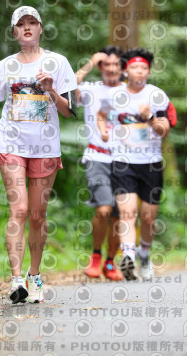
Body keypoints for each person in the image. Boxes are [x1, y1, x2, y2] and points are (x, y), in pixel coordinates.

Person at [0, 6, 77, 303]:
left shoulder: (58, 63)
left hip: (45, 146)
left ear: (40, 28)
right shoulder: (5, 66)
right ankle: (15, 280)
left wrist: (51, 91)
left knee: (37, 215)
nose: (27, 27)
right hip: (11, 143)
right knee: (19, 209)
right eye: (21, 23)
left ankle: (34, 275)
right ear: (14, 32)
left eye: (32, 22)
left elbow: (69, 111)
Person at [98, 48, 171, 281]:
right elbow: (101, 114)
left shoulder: (156, 95)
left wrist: (149, 117)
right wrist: (103, 131)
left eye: (144, 68)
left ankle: (144, 254)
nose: (139, 71)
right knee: (127, 212)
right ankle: (128, 256)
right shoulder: (115, 94)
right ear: (125, 71)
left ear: (148, 72)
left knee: (148, 218)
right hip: (123, 161)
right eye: (134, 67)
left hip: (151, 163)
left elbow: (164, 130)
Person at [74, 46, 125, 281]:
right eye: (106, 64)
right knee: (103, 209)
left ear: (122, 68)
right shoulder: (90, 90)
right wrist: (91, 62)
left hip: (125, 160)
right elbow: (68, 86)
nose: (111, 69)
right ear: (101, 67)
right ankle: (96, 255)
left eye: (116, 64)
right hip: (97, 157)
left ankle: (110, 262)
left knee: (119, 216)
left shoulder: (130, 92)